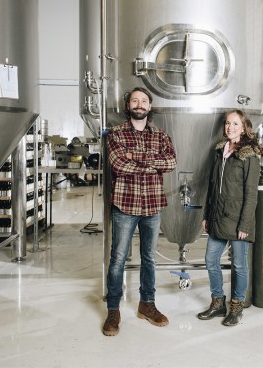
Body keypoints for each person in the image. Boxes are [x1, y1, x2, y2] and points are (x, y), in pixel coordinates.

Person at [102, 87, 177, 337]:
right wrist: (153, 162)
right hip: (125, 205)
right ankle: (113, 309)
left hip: (153, 205)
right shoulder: (116, 133)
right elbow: (118, 164)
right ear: (128, 106)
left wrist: (136, 158)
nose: (139, 104)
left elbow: (171, 162)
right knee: (118, 259)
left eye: (144, 100)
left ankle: (147, 304)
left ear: (149, 106)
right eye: (135, 100)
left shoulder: (161, 135)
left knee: (149, 258)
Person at [198, 109, 263, 326]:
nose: (230, 127)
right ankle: (218, 303)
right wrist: (207, 215)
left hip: (238, 220)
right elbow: (212, 186)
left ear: (244, 128)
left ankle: (236, 306)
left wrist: (245, 224)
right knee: (211, 260)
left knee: (239, 266)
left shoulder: (249, 155)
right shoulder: (220, 151)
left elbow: (251, 194)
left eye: (235, 124)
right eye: (227, 123)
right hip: (218, 216)